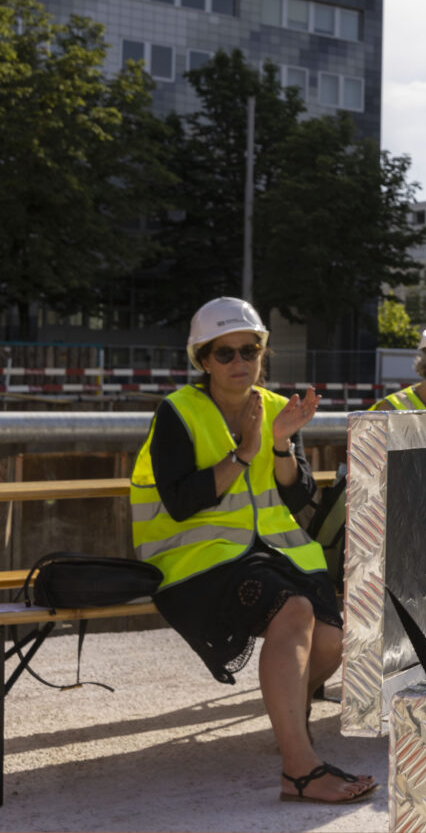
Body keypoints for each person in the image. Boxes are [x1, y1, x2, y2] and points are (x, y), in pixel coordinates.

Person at [130, 298, 376, 804]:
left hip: (273, 553)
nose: (240, 362)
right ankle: (299, 768)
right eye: (225, 353)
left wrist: (281, 444)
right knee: (294, 611)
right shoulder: (177, 412)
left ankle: (290, 717)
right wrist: (243, 453)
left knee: (333, 641)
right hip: (195, 560)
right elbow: (180, 502)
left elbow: (298, 495)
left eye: (250, 350)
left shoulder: (275, 407)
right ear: (203, 360)